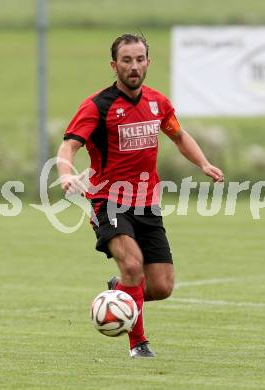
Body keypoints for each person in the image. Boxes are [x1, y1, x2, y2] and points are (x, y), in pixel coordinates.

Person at [57, 33, 224, 358]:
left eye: (139, 59)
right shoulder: (97, 106)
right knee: (132, 265)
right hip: (108, 201)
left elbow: (178, 135)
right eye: (126, 60)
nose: (133, 67)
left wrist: (203, 163)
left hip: (147, 203)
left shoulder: (157, 103)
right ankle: (139, 344)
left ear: (148, 62)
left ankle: (118, 291)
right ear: (114, 65)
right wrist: (65, 174)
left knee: (161, 287)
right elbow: (69, 146)